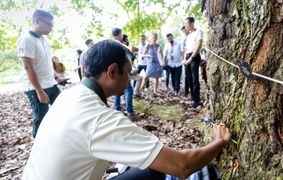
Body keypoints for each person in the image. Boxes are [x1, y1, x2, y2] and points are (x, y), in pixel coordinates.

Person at [22, 40, 231, 180]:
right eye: (129, 73)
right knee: (156, 170)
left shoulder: (69, 96)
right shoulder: (99, 119)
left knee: (151, 169)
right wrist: (219, 142)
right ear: (113, 71)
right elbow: (182, 165)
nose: (130, 80)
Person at [17, 9, 60, 138]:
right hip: (36, 87)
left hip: (50, 83)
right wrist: (39, 91)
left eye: (52, 25)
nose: (51, 28)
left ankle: (56, 136)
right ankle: (38, 143)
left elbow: (45, 62)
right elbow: (28, 68)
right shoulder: (26, 40)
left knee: (61, 108)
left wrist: (56, 76)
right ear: (36, 21)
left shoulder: (44, 40)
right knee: (41, 116)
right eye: (49, 24)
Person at [112, 28, 137, 120]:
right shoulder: (120, 45)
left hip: (113, 71)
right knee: (129, 90)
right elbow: (128, 59)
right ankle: (130, 112)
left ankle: (117, 109)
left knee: (117, 90)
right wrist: (133, 53)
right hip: (121, 71)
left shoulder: (110, 44)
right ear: (120, 34)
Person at [183, 17, 202, 108]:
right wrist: (184, 59)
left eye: (187, 23)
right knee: (188, 79)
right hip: (187, 57)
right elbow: (186, 49)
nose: (186, 25)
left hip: (194, 56)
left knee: (195, 79)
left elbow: (199, 45)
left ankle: (196, 100)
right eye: (185, 24)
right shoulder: (188, 35)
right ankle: (192, 97)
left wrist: (191, 58)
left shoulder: (198, 32)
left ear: (192, 23)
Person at [181, 26, 191, 97]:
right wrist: (183, 59)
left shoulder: (192, 36)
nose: (185, 32)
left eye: (185, 30)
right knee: (187, 75)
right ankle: (186, 91)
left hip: (192, 56)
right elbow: (182, 50)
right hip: (185, 58)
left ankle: (192, 90)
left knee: (192, 76)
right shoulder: (183, 39)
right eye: (183, 31)